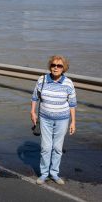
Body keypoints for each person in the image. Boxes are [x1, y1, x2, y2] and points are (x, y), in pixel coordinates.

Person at [31, 55, 77, 185]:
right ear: (50, 66)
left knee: (57, 147)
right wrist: (32, 112)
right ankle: (44, 174)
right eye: (53, 65)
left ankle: (54, 173)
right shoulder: (42, 80)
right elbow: (35, 97)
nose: (55, 68)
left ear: (64, 68)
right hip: (45, 119)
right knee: (46, 147)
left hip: (62, 120)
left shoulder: (68, 83)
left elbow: (72, 104)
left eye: (59, 65)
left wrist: (73, 122)